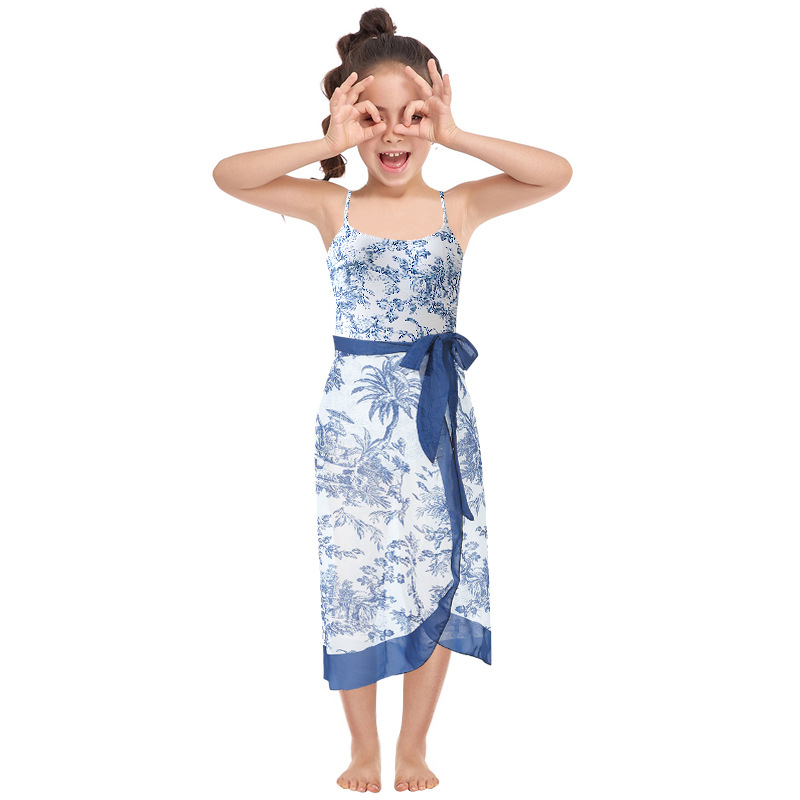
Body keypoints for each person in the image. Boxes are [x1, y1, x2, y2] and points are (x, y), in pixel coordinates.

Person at [212, 7, 571, 793]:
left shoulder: (458, 207)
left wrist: (459, 133)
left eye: (413, 114)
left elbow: (555, 173)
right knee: (357, 574)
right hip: (353, 425)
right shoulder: (332, 207)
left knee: (436, 572)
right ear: (348, 116)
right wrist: (326, 146)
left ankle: (413, 746)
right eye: (372, 116)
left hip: (437, 419)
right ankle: (361, 748)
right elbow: (228, 175)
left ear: (432, 116)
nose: (394, 132)